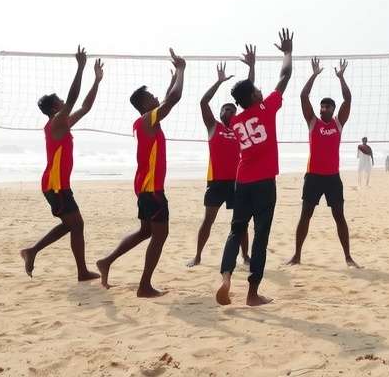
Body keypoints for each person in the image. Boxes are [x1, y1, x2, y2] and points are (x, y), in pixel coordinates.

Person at [97, 49, 186, 296]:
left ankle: (106, 261)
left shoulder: (147, 121)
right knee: (160, 234)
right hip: (151, 188)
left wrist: (172, 80)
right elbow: (174, 99)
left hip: (144, 186)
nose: (156, 97)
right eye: (151, 96)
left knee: (146, 231)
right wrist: (181, 70)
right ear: (144, 104)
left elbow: (168, 98)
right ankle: (144, 286)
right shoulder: (148, 120)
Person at [216, 29, 293, 306]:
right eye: (257, 90)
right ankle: (252, 294)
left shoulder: (235, 122)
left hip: (242, 182)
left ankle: (226, 277)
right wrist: (287, 52)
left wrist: (251, 68)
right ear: (255, 97)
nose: (261, 91)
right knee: (260, 237)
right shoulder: (266, 108)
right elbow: (284, 77)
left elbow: (246, 94)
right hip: (263, 183)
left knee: (236, 231)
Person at [20, 46, 103, 281]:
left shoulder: (63, 123)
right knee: (76, 224)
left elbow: (85, 107)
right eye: (61, 101)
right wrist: (80, 67)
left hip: (58, 184)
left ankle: (33, 251)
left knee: (72, 225)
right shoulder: (56, 123)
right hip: (55, 184)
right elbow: (75, 98)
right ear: (55, 109)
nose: (65, 102)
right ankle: (80, 271)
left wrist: (96, 81)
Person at [287, 57, 358, 267]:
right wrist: (315, 75)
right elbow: (303, 96)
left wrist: (341, 78)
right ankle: (297, 255)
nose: (323, 109)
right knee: (305, 215)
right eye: (322, 106)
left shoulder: (338, 122)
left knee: (339, 217)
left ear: (333, 110)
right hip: (313, 177)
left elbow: (348, 99)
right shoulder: (313, 122)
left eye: (327, 106)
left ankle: (348, 257)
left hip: (332, 178)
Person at [186, 53, 255, 268]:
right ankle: (197, 256)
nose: (230, 112)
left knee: (241, 222)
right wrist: (219, 81)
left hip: (236, 181)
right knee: (208, 220)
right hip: (216, 182)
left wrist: (251, 68)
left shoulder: (239, 126)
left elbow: (249, 99)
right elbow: (203, 101)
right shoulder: (213, 126)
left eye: (233, 110)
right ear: (220, 112)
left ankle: (245, 256)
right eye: (226, 109)